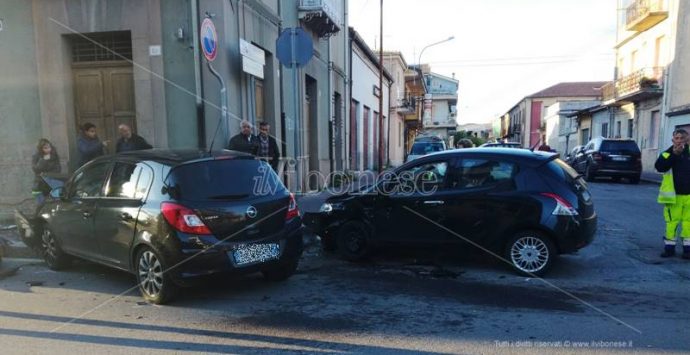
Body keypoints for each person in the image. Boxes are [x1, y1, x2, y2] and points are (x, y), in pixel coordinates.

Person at [655, 128, 690, 259]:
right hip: (673, 196)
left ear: (687, 139)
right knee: (672, 223)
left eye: (682, 138)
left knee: (688, 223)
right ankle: (669, 248)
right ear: (673, 139)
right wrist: (674, 155)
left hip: (689, 196)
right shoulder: (667, 154)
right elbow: (659, 167)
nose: (679, 141)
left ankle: (688, 250)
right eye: (677, 138)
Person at [31, 138, 61, 203]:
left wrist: (49, 174)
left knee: (56, 201)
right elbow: (36, 169)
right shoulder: (37, 156)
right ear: (41, 149)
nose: (48, 149)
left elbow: (58, 169)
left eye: (49, 147)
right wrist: (43, 160)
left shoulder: (54, 155)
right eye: (45, 148)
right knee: (40, 203)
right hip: (40, 183)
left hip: (52, 182)